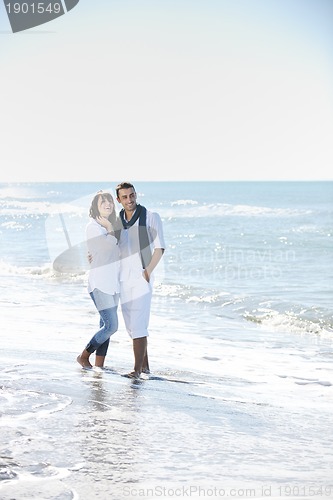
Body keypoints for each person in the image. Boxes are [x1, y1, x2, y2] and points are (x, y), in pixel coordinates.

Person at [115, 181, 165, 378]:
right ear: (119, 200)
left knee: (138, 323)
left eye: (132, 195)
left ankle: (136, 371)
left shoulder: (150, 216)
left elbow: (160, 247)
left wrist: (147, 273)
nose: (130, 200)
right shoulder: (118, 220)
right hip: (123, 279)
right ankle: (145, 368)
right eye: (125, 197)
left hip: (141, 277)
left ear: (136, 194)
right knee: (131, 326)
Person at [77, 191, 120, 369]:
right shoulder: (93, 227)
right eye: (103, 202)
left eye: (110, 201)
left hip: (114, 284)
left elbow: (119, 252)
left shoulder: (113, 226)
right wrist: (110, 230)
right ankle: (84, 355)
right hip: (100, 284)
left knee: (104, 325)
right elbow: (106, 250)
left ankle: (99, 366)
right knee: (111, 326)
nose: (108, 204)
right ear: (96, 206)